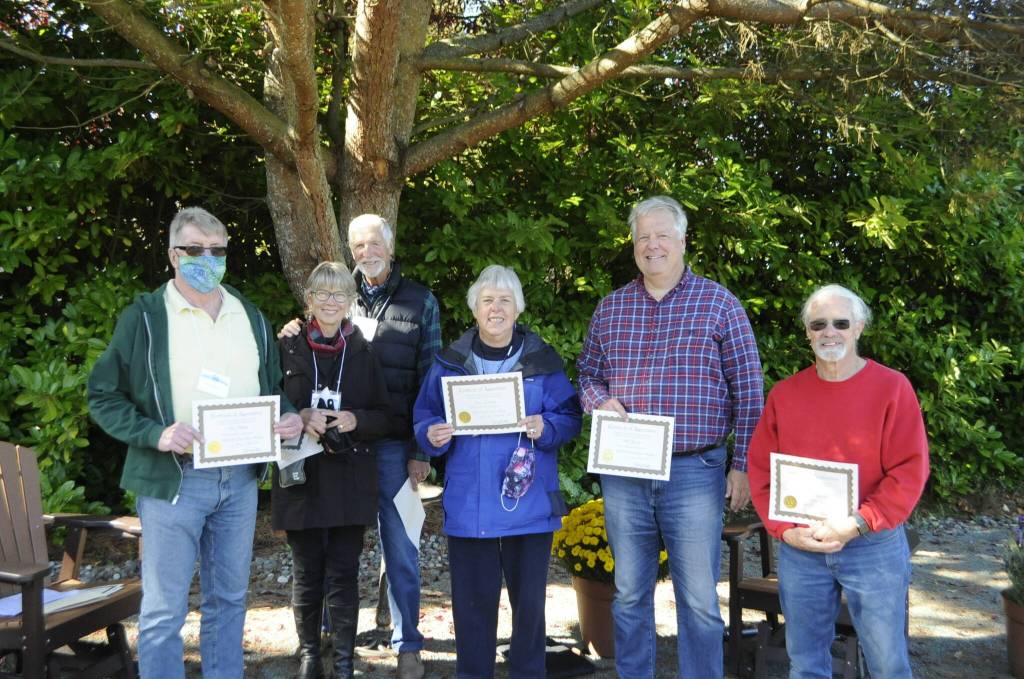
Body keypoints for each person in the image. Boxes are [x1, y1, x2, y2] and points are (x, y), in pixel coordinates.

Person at [87, 207, 304, 678]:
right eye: (194, 249)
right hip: (175, 481)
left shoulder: (247, 314)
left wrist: (286, 416)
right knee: (164, 610)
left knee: (228, 601)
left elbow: (270, 387)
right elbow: (102, 395)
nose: (207, 258)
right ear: (172, 255)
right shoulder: (145, 316)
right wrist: (154, 433)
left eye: (217, 250)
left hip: (240, 481)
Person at [576, 195, 764, 678]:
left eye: (662, 235)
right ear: (634, 245)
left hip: (695, 471)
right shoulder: (611, 308)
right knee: (631, 592)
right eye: (643, 237)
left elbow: (749, 392)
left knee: (699, 598)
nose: (652, 245)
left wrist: (741, 465)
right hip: (626, 471)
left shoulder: (720, 304)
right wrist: (600, 402)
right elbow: (587, 375)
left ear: (682, 240)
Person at [281, 213, 440, 679]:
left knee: (400, 546)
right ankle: (327, 637)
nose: (367, 253)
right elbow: (312, 345)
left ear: (390, 248)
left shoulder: (420, 301)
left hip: (391, 442)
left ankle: (408, 642)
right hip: (333, 446)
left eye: (375, 244)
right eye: (358, 246)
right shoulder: (340, 295)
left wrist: (420, 451)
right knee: (332, 544)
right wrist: (293, 328)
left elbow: (431, 379)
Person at [747, 284, 929, 679]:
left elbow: (909, 470)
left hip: (871, 544)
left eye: (841, 323)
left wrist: (857, 522)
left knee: (887, 664)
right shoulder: (785, 394)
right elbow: (762, 469)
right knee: (806, 663)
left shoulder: (892, 388)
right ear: (808, 332)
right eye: (819, 324)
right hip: (802, 547)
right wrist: (784, 531)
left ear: (859, 328)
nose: (830, 332)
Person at [413, 265, 582, 679]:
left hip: (528, 503)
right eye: (487, 300)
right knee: (472, 607)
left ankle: (529, 673)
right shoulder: (449, 362)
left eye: (505, 300)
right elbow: (425, 414)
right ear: (475, 309)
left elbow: (570, 416)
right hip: (470, 505)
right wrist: (431, 434)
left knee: (529, 609)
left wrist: (549, 428)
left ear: (518, 308)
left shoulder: (542, 359)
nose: (496, 308)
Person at [273, 262, 392, 678]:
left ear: (349, 302)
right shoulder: (286, 346)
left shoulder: (364, 350)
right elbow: (267, 404)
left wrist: (356, 419)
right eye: (321, 294)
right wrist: (298, 412)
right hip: (300, 472)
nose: (329, 302)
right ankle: (309, 656)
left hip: (349, 476)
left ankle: (343, 660)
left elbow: (385, 415)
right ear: (308, 299)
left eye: (339, 294)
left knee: (343, 571)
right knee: (307, 571)